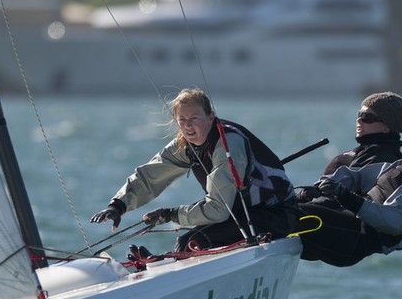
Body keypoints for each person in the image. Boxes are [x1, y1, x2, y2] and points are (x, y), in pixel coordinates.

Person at [90, 88, 300, 254]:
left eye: (194, 118)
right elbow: (150, 177)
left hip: (276, 213)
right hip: (239, 213)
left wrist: (170, 214)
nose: (188, 126)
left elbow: (218, 210)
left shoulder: (228, 144)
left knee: (193, 241)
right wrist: (118, 205)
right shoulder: (185, 145)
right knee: (190, 241)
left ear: (211, 117)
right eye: (182, 120)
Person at [297, 111, 402, 267]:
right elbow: (357, 176)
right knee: (284, 205)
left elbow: (395, 220)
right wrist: (320, 188)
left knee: (284, 215)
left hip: (355, 240)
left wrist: (348, 198)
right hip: (345, 222)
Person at [296, 91, 402, 203]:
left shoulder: (385, 158)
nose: (359, 120)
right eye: (359, 115)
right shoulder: (364, 151)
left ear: (386, 126)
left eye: (366, 117)